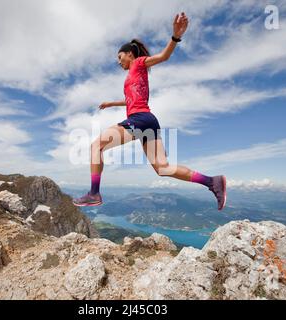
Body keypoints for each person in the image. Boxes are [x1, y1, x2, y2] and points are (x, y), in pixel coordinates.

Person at [73, 12, 226, 210]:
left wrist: (175, 36)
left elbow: (163, 56)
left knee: (96, 146)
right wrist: (112, 103)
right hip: (149, 121)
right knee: (162, 168)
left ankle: (94, 193)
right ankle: (212, 182)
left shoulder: (138, 63)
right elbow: (133, 100)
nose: (119, 61)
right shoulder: (133, 76)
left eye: (120, 57)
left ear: (130, 54)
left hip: (140, 119)